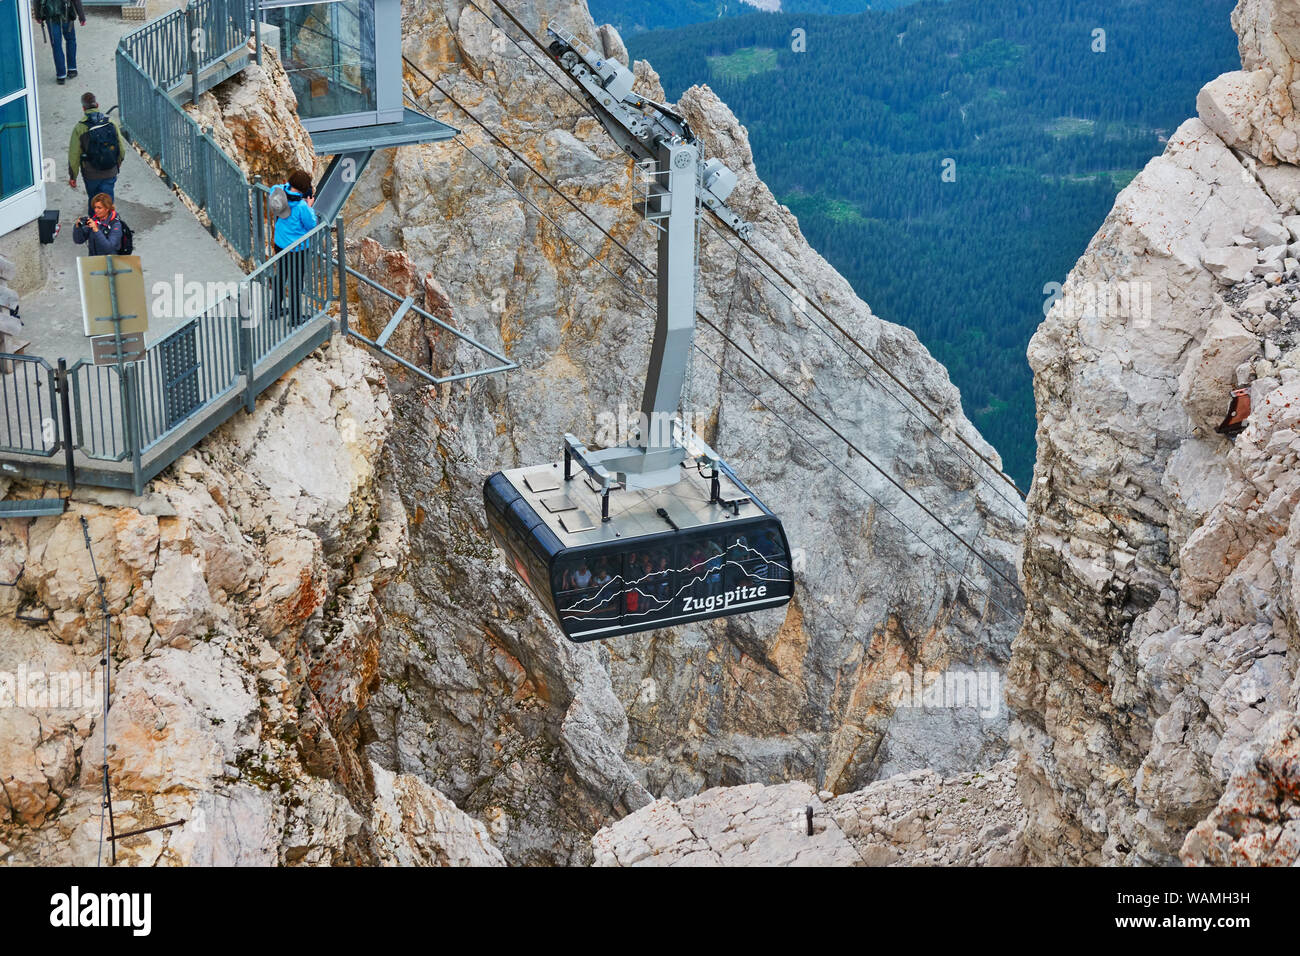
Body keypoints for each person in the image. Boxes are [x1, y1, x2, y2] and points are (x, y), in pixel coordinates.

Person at [270, 170, 318, 327]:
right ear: (304, 189)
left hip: (280, 243)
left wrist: (290, 186)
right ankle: (296, 318)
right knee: (296, 283)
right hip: (297, 249)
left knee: (281, 275)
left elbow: (278, 188)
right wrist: (309, 205)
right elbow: (311, 225)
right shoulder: (301, 207)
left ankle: (275, 309)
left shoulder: (278, 192)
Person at [68, 93, 125, 215]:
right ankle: (109, 226)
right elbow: (121, 147)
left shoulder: (79, 128)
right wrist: (118, 162)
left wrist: (73, 176)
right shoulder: (110, 122)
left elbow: (74, 155)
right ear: (97, 105)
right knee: (107, 200)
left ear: (84, 108)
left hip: (91, 173)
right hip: (110, 170)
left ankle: (94, 226)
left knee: (94, 201)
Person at [34, 0, 86, 85]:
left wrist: (38, 15)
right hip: (66, 13)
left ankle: (61, 75)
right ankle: (72, 69)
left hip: (50, 16)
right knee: (70, 40)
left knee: (56, 45)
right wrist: (81, 16)